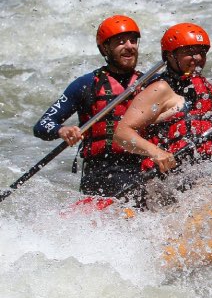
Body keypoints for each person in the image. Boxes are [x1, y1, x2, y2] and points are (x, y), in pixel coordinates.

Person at [113, 23, 212, 199]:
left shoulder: (203, 88)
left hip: (210, 174)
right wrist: (157, 153)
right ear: (170, 56)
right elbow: (122, 133)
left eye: (201, 52)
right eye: (188, 52)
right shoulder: (159, 89)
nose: (196, 58)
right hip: (170, 183)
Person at [33, 15, 146, 198]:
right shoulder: (86, 84)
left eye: (133, 41)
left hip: (144, 166)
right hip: (103, 173)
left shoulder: (152, 82)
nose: (129, 46)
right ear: (105, 48)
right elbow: (42, 125)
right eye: (120, 42)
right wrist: (62, 131)